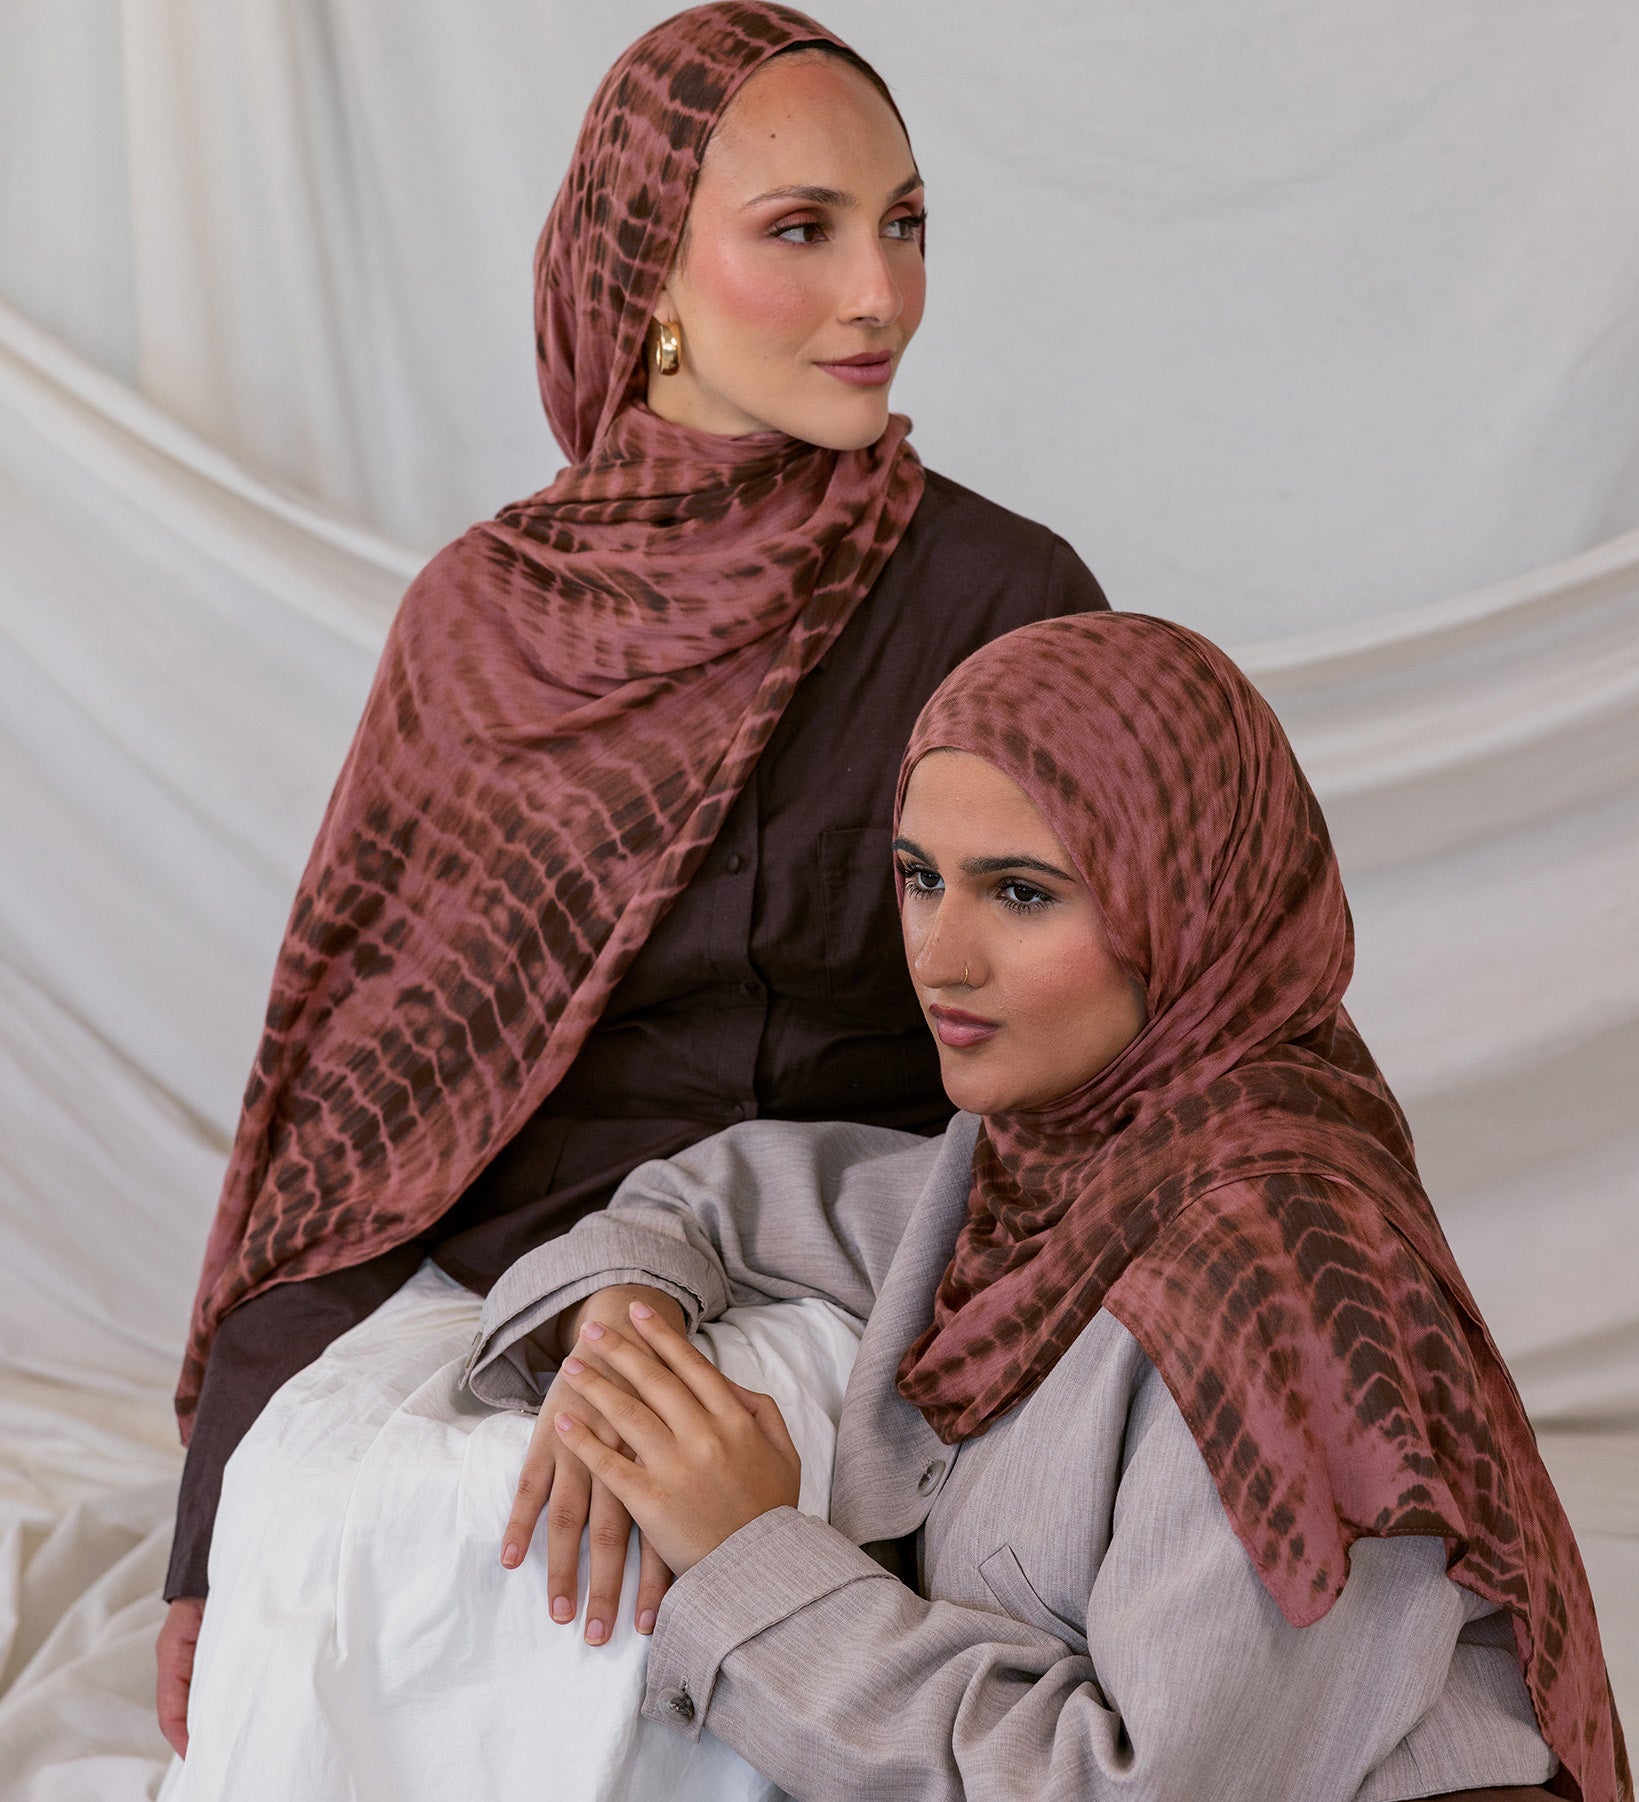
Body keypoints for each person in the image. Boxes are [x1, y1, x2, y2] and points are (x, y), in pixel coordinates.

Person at [156, 0, 1110, 1757]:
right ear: (646, 273)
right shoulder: (492, 620)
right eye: (799, 232)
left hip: (850, 1270)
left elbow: (1096, 1074)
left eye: (902, 223)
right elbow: (354, 1108)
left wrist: (684, 1288)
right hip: (503, 1269)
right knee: (353, 1499)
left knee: (580, 1541)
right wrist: (215, 1524)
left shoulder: (1002, 605)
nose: (877, 299)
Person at [471, 613, 1630, 1801]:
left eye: (1021, 893)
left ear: (1186, 908)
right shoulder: (1051, 1166)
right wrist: (622, 1328)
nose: (938, 956)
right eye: (921, 878)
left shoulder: (1270, 1283)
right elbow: (719, 1194)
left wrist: (748, 1562)